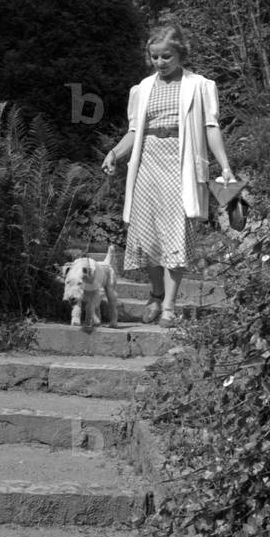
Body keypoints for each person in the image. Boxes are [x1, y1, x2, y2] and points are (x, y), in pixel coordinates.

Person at [101, 19, 236, 327]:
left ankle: (169, 307)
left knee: (175, 233)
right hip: (147, 165)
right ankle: (157, 293)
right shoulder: (142, 88)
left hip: (181, 165)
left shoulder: (200, 86)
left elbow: (210, 127)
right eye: (155, 57)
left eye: (166, 56)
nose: (159, 62)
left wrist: (225, 166)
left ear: (180, 55)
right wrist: (114, 154)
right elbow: (135, 130)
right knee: (147, 238)